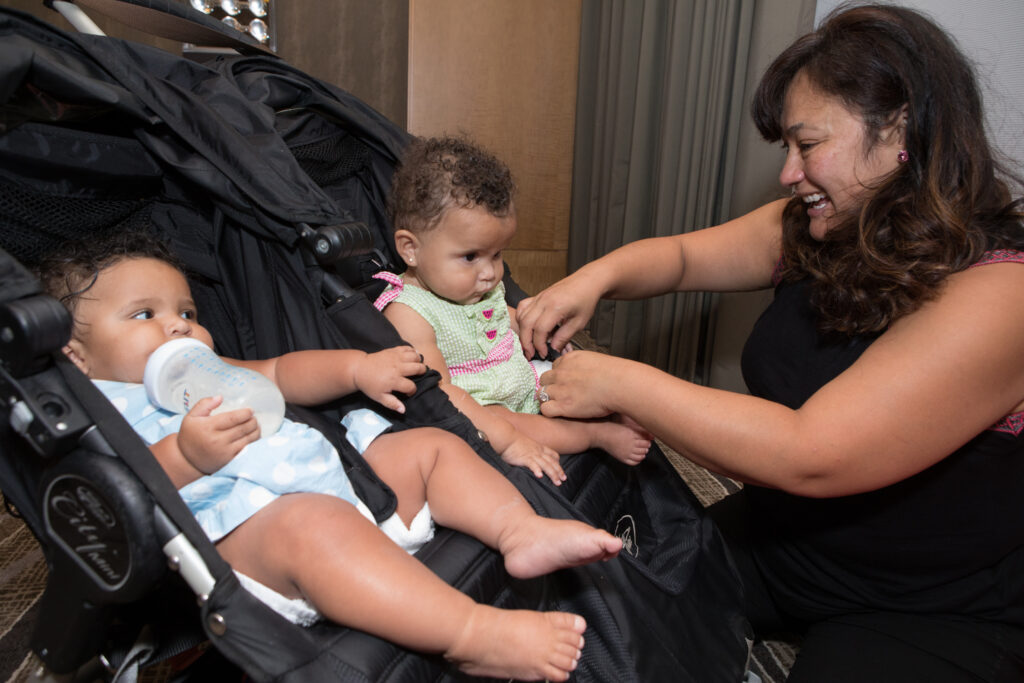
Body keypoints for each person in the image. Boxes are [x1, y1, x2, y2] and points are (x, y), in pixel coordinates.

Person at [516, 5, 1024, 682]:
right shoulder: (827, 222)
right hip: (789, 537)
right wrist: (595, 278)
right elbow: (681, 259)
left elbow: (813, 452)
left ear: (898, 128)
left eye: (807, 144)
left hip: (934, 601)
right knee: (600, 605)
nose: (789, 173)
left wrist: (620, 381)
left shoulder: (1002, 294)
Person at [37, 232, 624, 682]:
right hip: (256, 536)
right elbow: (116, 495)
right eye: (145, 315)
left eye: (187, 313)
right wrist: (187, 456)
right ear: (75, 352)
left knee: (431, 449)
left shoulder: (211, 369)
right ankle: (472, 634)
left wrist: (355, 368)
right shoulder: (100, 410)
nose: (178, 328)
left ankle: (521, 530)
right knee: (309, 524)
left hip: (341, 485)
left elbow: (281, 372)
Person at [374, 136, 651, 486]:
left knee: (574, 376)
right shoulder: (408, 312)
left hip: (518, 380)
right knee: (518, 424)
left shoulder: (476, 283)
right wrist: (507, 439)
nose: (490, 272)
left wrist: (530, 325)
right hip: (481, 408)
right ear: (410, 249)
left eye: (498, 255)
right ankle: (598, 437)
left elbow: (497, 316)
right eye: (471, 256)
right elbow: (441, 393)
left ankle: (611, 411)